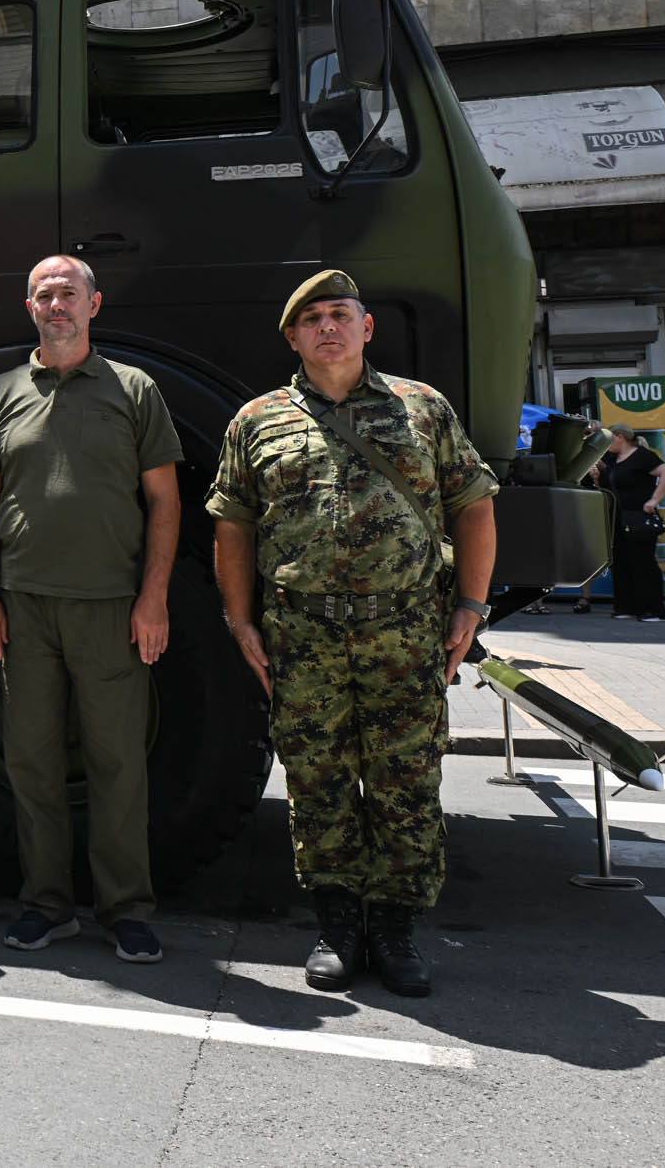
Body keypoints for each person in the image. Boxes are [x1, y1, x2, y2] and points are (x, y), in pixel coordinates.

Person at [209, 270, 497, 998]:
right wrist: (240, 620)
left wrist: (470, 604)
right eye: (311, 319)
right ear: (293, 338)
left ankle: (394, 930)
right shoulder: (256, 421)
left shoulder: (422, 408)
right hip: (303, 635)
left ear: (366, 328)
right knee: (318, 782)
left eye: (340, 314)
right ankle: (337, 927)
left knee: (407, 782)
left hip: (403, 631)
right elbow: (233, 525)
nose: (327, 328)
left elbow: (473, 504)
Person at [0, 256, 182, 965]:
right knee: (31, 761)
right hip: (25, 606)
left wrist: (153, 596)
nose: (57, 303)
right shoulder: (2, 393)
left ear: (94, 304)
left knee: (118, 764)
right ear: (28, 307)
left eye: (69, 292)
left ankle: (126, 910)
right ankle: (46, 904)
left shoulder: (135, 389)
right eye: (45, 294)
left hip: (112, 606)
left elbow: (164, 500)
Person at [601, 427, 665, 623]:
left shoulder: (642, 456)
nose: (608, 445)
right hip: (618, 517)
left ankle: (652, 609)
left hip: (639, 517)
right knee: (621, 561)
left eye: (610, 440)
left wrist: (654, 500)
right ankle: (626, 606)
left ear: (620, 437)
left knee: (643, 562)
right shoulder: (612, 459)